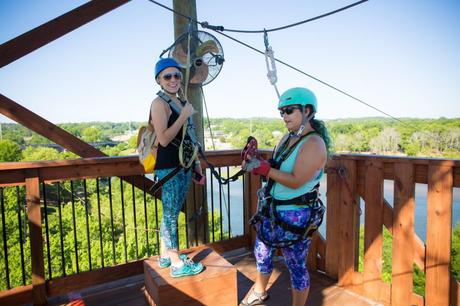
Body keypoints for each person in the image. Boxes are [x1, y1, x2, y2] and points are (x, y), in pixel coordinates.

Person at [241, 87, 331, 306]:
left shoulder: (314, 144)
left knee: (296, 265)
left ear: (307, 111)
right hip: (272, 209)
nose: (284, 117)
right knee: (262, 252)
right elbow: (278, 167)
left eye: (289, 111)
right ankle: (259, 290)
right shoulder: (286, 139)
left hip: (296, 214)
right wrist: (260, 163)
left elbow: (296, 180)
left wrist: (264, 169)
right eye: (282, 112)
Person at [150, 57, 204, 278]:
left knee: (170, 214)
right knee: (171, 216)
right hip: (169, 167)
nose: (173, 80)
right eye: (167, 76)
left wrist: (197, 165)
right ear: (159, 80)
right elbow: (163, 139)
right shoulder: (159, 104)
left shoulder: (182, 102)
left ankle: (165, 254)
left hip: (184, 165)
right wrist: (183, 116)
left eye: (177, 76)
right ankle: (177, 263)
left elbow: (189, 138)